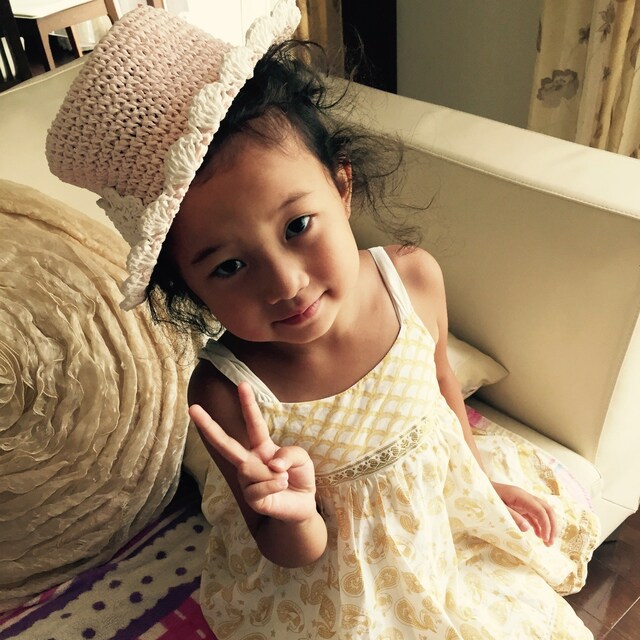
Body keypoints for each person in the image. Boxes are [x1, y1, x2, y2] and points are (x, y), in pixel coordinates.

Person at [46, 2, 599, 638]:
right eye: (229, 266)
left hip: (439, 523)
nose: (285, 284)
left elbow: (443, 391)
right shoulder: (228, 394)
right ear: (188, 287)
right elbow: (290, 552)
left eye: (298, 226)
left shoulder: (413, 278)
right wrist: (292, 510)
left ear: (341, 186)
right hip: (339, 587)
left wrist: (483, 483)